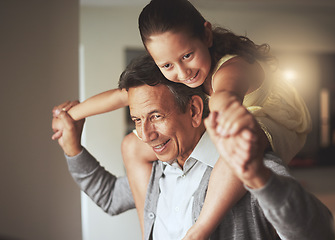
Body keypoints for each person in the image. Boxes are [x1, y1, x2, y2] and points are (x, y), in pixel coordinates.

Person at [53, 0, 312, 237]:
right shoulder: (172, 77)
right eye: (167, 65)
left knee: (237, 143)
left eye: (187, 56)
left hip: (272, 119)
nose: (182, 72)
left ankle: (198, 230)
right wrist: (70, 117)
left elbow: (225, 96)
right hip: (223, 116)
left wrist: (227, 114)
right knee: (131, 144)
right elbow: (119, 97)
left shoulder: (231, 69)